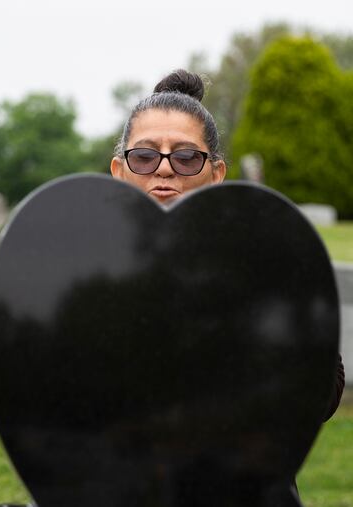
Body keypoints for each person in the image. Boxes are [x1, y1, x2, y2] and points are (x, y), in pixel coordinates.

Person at [109, 68, 346, 494]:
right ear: (119, 169)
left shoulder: (263, 262)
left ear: (216, 172)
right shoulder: (88, 266)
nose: (164, 170)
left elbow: (322, 397)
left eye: (186, 157)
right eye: (144, 155)